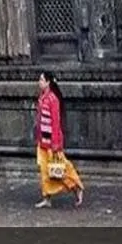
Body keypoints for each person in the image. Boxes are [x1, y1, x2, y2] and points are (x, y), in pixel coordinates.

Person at [35, 71, 83, 208]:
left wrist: (56, 143)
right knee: (44, 170)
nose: (39, 82)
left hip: (51, 140)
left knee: (62, 168)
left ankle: (76, 187)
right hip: (43, 140)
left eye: (41, 80)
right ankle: (47, 197)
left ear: (48, 82)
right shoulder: (43, 97)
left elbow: (56, 122)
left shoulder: (52, 99)